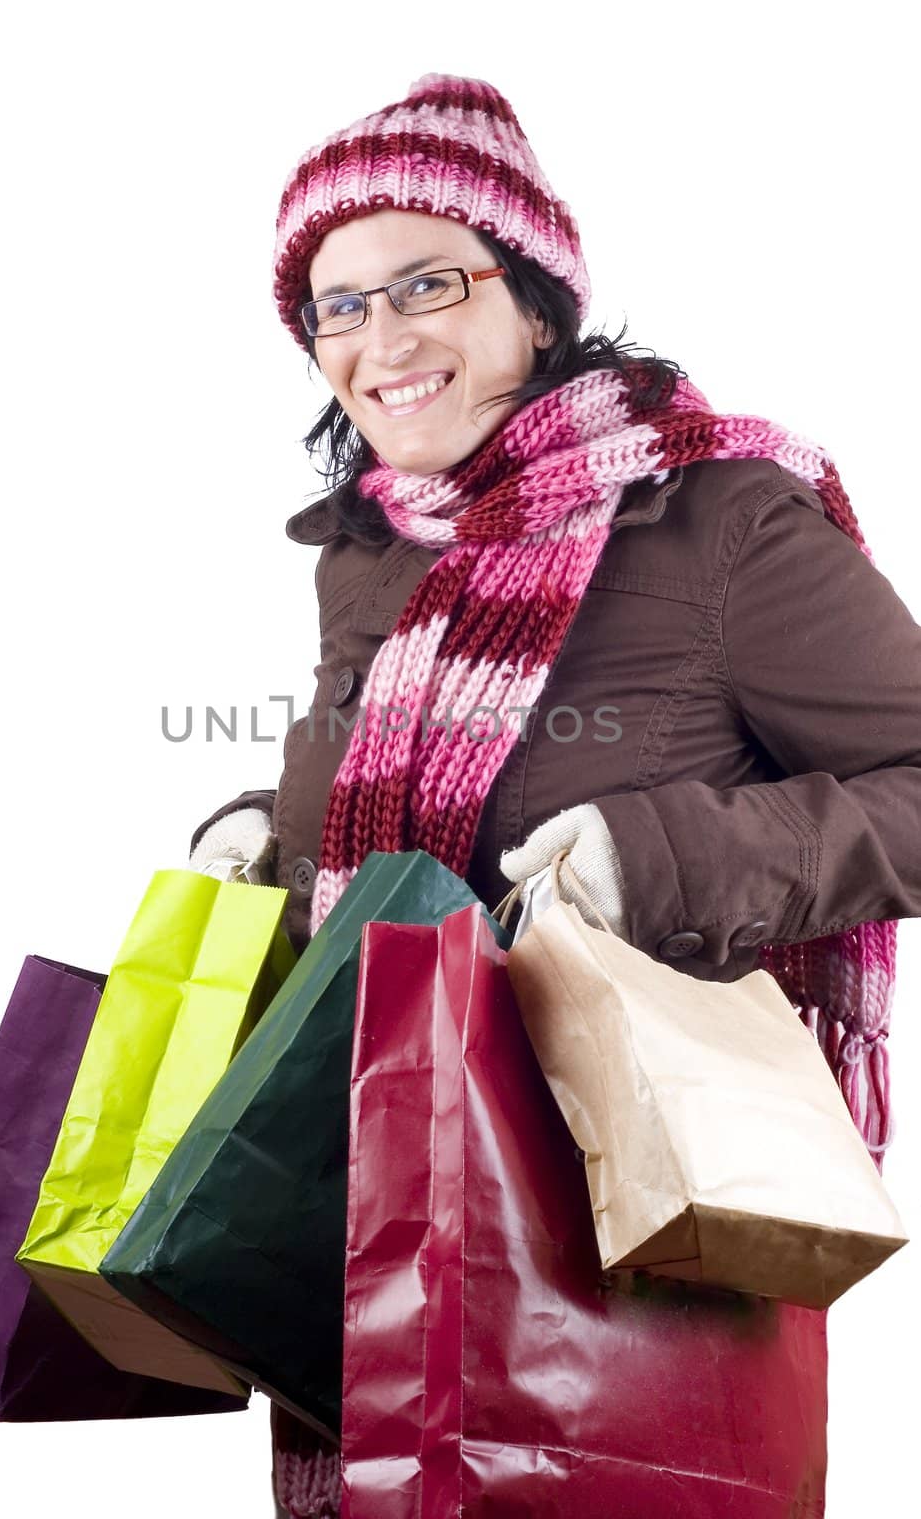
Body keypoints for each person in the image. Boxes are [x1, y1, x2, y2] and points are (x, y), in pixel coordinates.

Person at [189, 73, 921, 1518]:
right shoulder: (375, 548)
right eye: (336, 307)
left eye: (427, 284)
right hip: (376, 1220)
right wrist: (266, 854)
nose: (378, 341)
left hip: (631, 1242)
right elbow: (399, 853)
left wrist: (661, 857)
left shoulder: (721, 518)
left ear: (535, 299)